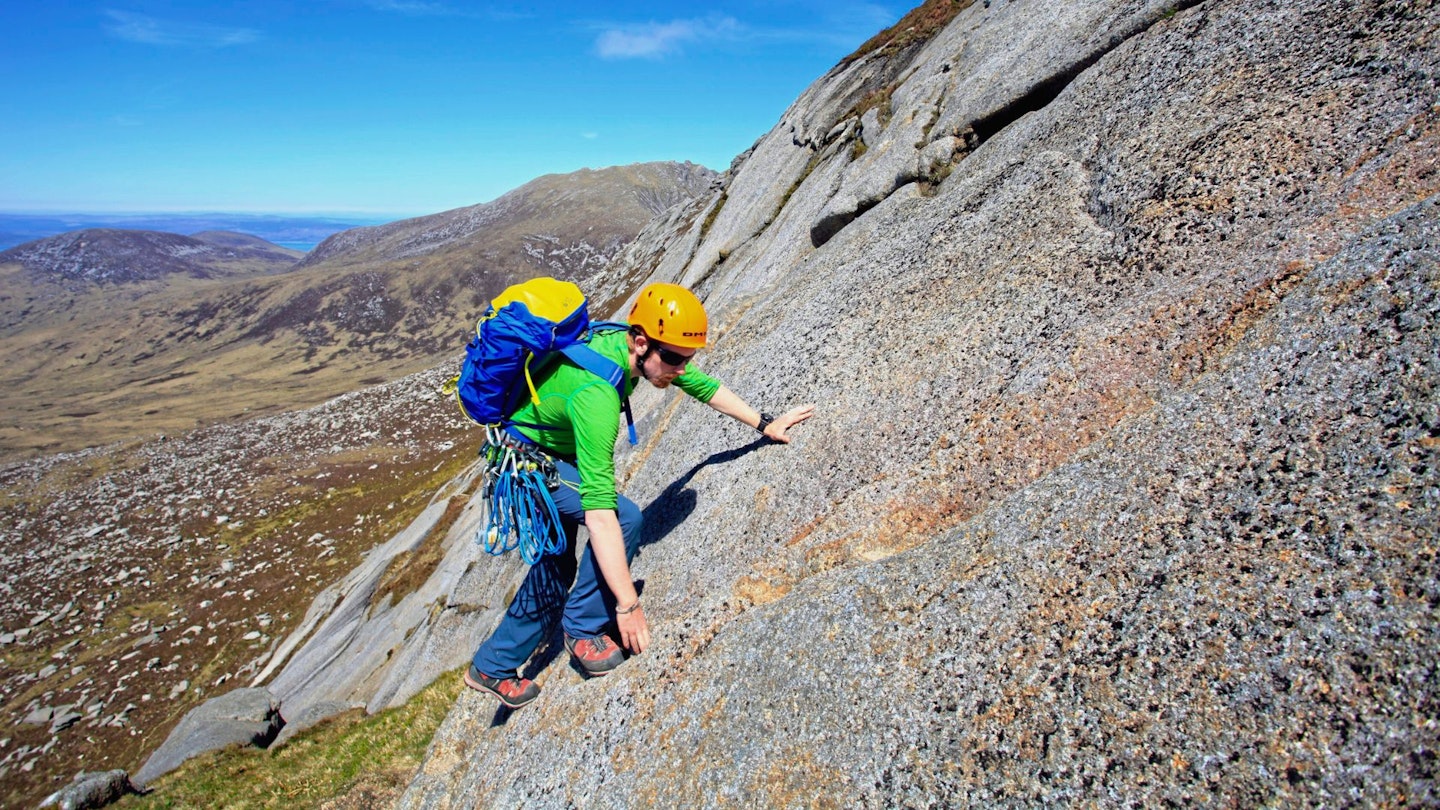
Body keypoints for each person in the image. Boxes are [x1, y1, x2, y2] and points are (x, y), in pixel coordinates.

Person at [464, 282, 814, 708]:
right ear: (642, 342)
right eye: (673, 359)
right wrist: (628, 605)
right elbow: (599, 511)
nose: (680, 370)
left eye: (687, 358)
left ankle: (490, 666)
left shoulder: (623, 341)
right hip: (531, 463)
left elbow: (700, 385)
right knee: (624, 518)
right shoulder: (597, 397)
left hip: (542, 448)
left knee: (555, 568)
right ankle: (583, 631)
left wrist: (765, 423)